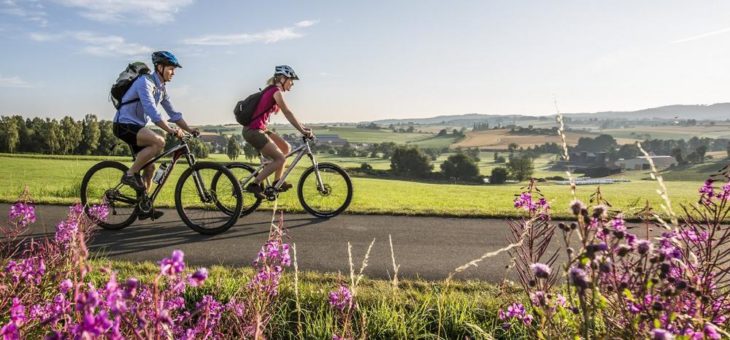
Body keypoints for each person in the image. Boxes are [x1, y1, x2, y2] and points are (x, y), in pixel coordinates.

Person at [112, 51, 198, 218]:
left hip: (136, 127)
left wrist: (189, 129)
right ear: (160, 67)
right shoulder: (144, 82)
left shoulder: (161, 89)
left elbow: (174, 114)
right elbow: (153, 112)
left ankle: (143, 206)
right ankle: (129, 175)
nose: (173, 73)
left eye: (174, 70)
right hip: (124, 125)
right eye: (171, 69)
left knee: (150, 168)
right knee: (159, 141)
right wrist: (171, 130)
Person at [242, 65, 313, 198]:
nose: (292, 84)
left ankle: (276, 182)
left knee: (286, 148)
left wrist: (303, 128)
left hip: (261, 129)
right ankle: (255, 184)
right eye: (291, 80)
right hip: (253, 131)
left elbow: (289, 114)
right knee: (280, 158)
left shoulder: (273, 91)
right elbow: (287, 112)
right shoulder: (275, 91)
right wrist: (302, 131)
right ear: (283, 78)